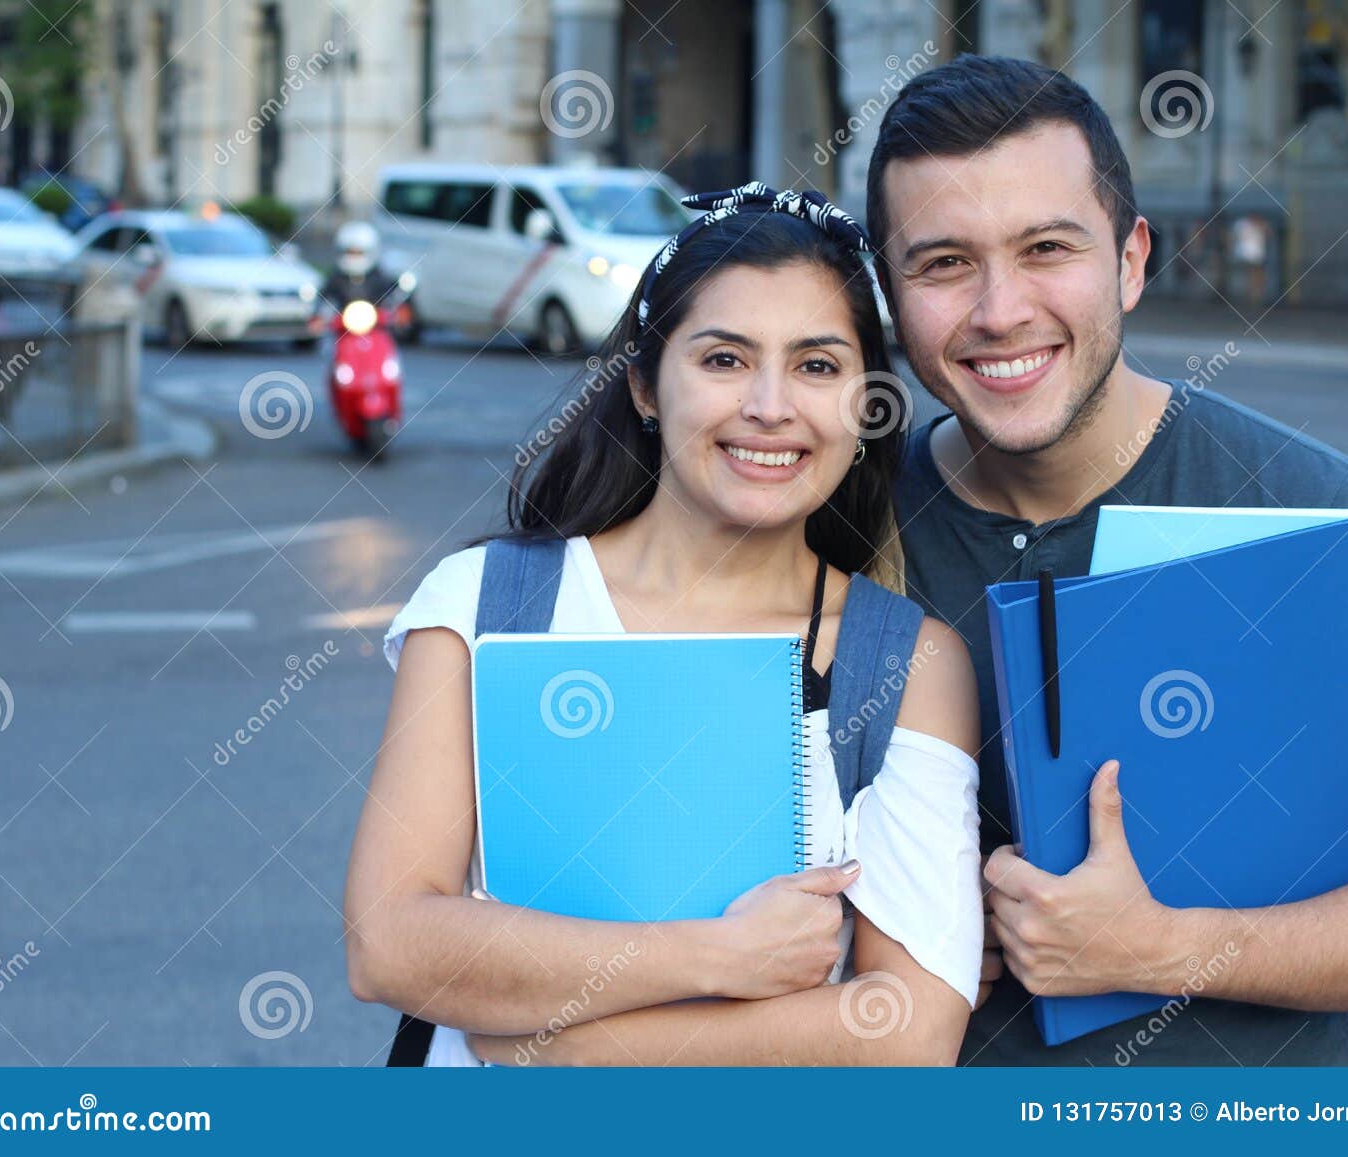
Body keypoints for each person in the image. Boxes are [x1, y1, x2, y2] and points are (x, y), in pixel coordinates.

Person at [867, 55, 1348, 1066]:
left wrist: (1159, 947)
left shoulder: (1315, 511)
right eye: (944, 263)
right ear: (890, 292)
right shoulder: (840, 527)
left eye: (1047, 248)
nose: (999, 309)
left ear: (1131, 260)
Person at [343, 183, 984, 1066]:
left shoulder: (904, 661)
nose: (771, 405)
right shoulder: (489, 604)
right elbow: (388, 943)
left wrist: (565, 1047)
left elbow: (910, 1029)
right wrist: (715, 955)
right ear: (645, 385)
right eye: (724, 359)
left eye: (817, 366)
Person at [321, 220, 398, 309]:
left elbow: (391, 301)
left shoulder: (381, 279)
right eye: (350, 252)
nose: (354, 257)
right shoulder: (335, 280)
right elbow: (324, 300)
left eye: (359, 253)